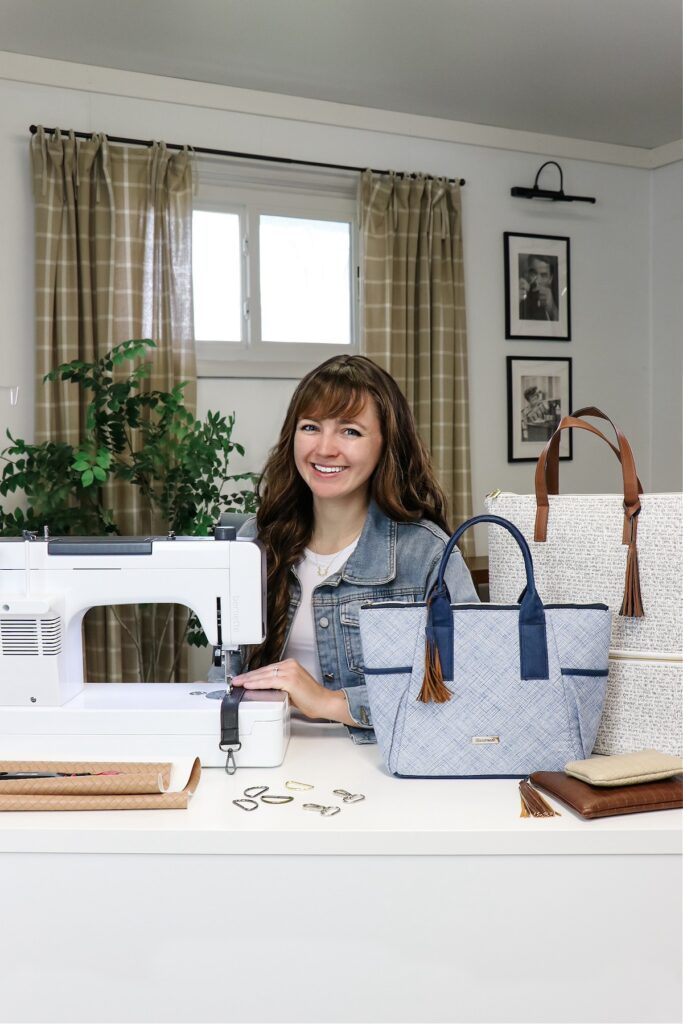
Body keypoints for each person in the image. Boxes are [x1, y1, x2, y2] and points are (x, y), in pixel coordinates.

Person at [234, 354, 478, 743]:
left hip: (381, 761)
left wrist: (330, 703)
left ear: (385, 444)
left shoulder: (427, 553)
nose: (325, 448)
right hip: (268, 751)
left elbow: (470, 683)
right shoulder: (255, 542)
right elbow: (227, 671)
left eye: (350, 431)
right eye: (311, 427)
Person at [519, 254, 558, 321]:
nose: (537, 281)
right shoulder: (519, 297)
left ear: (550, 279)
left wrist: (552, 310)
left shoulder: (557, 301)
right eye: (533, 273)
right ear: (526, 274)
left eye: (543, 275)